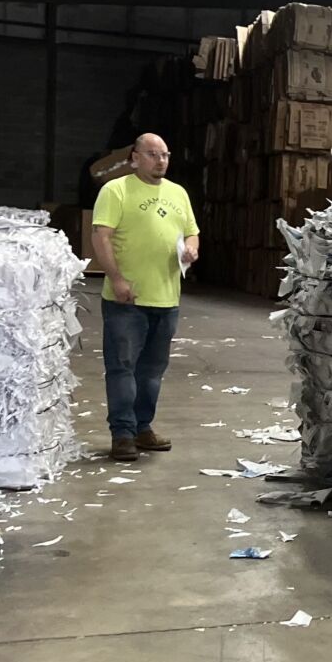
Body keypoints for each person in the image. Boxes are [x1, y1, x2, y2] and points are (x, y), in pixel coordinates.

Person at [89, 133, 199, 462]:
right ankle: (122, 434)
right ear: (135, 158)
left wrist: (192, 248)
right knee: (122, 368)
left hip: (167, 299)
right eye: (152, 154)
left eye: (165, 154)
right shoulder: (116, 190)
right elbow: (101, 237)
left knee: (151, 371)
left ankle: (142, 428)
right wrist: (117, 278)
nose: (160, 160)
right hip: (127, 300)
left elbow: (192, 231)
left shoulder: (178, 193)